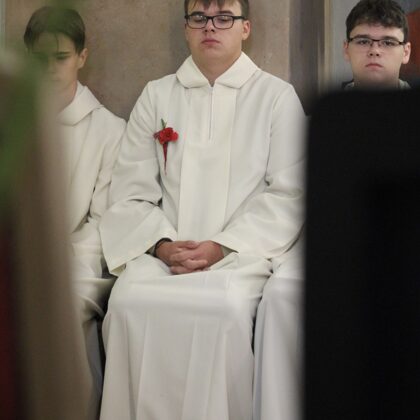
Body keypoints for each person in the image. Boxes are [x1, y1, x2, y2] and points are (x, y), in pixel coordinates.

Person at [99, 1, 305, 419]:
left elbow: (290, 192)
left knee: (225, 309)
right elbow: (130, 191)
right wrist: (161, 246)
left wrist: (221, 247)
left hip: (238, 258)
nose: (211, 27)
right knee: (126, 303)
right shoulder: (157, 95)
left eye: (224, 17)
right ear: (186, 28)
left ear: (245, 28)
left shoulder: (276, 97)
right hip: (162, 256)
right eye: (199, 17)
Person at [23, 6, 126, 419]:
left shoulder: (109, 131)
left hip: (76, 265)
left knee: (55, 310)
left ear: (82, 56)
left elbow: (104, 223)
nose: (49, 69)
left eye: (61, 58)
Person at [343, 0, 411, 89]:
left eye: (388, 43)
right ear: (346, 50)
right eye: (363, 42)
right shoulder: (329, 98)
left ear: (406, 52)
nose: (375, 51)